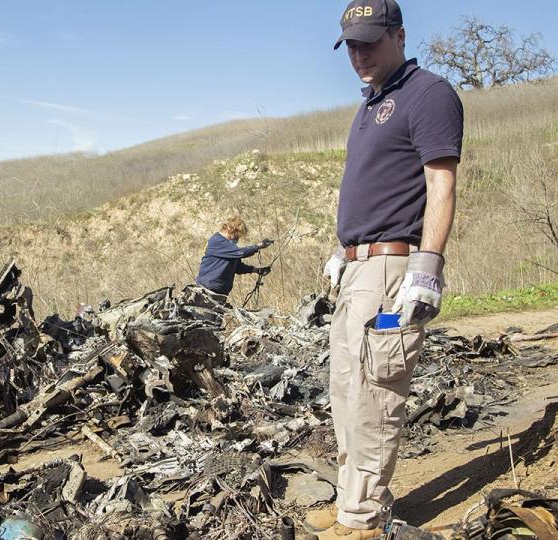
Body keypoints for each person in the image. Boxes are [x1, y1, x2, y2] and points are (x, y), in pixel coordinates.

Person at [306, 1, 464, 538]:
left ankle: (363, 519)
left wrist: (428, 266)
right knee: (347, 391)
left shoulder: (428, 94)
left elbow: (440, 181)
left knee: (377, 390)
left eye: (370, 41)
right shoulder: (372, 103)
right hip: (357, 270)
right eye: (351, 44)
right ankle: (356, 500)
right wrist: (343, 249)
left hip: (394, 272)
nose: (359, 54)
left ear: (398, 35)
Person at [195, 217, 273, 296]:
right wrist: (258, 246)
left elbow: (238, 267)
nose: (237, 239)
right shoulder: (217, 241)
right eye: (236, 236)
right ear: (230, 229)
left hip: (219, 293)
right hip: (206, 290)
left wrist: (257, 270)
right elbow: (240, 253)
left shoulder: (229, 247)